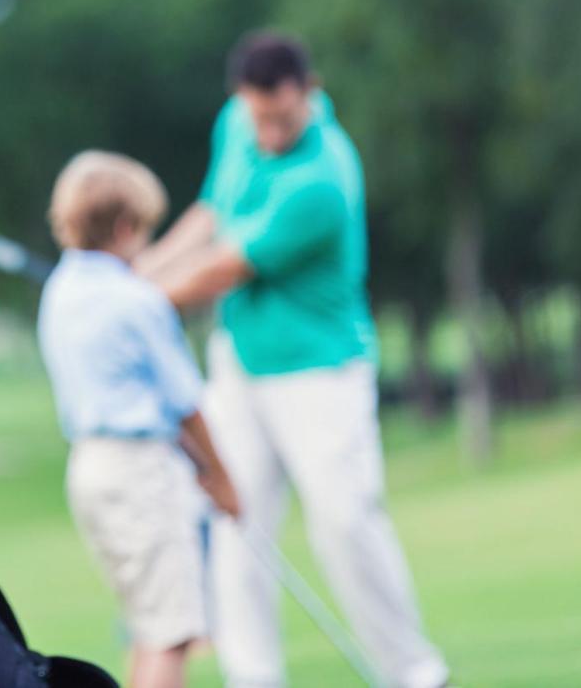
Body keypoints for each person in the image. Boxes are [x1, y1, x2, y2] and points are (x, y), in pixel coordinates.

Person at [136, 33, 450, 688]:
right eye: (258, 116)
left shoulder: (323, 175)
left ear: (309, 91)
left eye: (281, 116)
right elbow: (211, 213)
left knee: (346, 521)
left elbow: (224, 266)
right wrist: (136, 269)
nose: (269, 130)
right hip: (242, 364)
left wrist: (125, 297)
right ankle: (253, 677)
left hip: (320, 372)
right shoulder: (236, 123)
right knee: (234, 522)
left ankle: (414, 672)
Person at [37, 150, 241, 688]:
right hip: (139, 472)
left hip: (89, 469)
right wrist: (221, 479)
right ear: (126, 227)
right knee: (171, 634)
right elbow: (186, 404)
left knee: (149, 625)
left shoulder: (59, 291)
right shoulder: (137, 301)